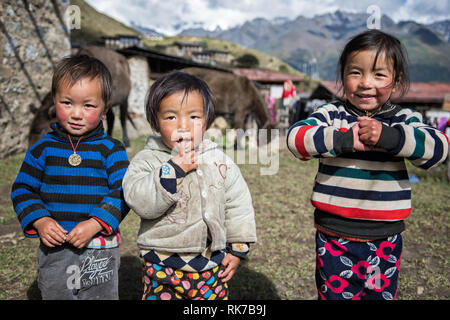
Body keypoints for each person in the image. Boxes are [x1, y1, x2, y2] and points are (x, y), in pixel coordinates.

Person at [286, 30, 449, 300]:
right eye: (355, 72)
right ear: (342, 76)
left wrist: (390, 138)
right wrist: (343, 139)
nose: (365, 83)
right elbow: (295, 139)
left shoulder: (402, 119)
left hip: (384, 237)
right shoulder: (332, 114)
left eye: (379, 74)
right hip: (334, 234)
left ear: (396, 83)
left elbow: (439, 148)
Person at [122, 71, 257, 300]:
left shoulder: (219, 160)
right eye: (171, 117)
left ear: (207, 120)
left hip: (211, 264)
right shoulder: (148, 160)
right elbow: (140, 201)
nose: (183, 126)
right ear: (155, 121)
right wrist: (172, 170)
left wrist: (237, 247)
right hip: (161, 265)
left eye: (193, 117)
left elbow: (238, 204)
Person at [11, 55, 130, 300]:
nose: (76, 114)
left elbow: (123, 191)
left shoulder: (112, 150)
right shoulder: (42, 149)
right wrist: (41, 221)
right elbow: (23, 189)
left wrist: (96, 223)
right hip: (55, 249)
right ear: (54, 102)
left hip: (100, 248)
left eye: (88, 106)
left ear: (105, 109)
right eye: (67, 103)